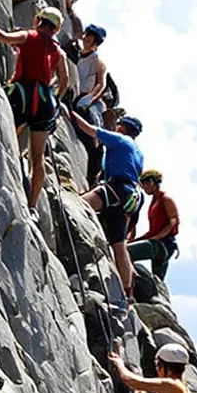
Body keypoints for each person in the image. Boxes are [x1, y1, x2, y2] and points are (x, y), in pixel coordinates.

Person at [0, 0, 73, 208]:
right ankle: (32, 206)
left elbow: (0, 35)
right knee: (37, 158)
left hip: (22, 93)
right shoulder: (59, 52)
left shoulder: (28, 36)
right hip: (44, 101)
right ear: (56, 29)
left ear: (38, 20)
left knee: (8, 132)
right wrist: (55, 98)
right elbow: (65, 82)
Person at [70, 108, 143, 299]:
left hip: (116, 188)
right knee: (119, 247)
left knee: (77, 205)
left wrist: (68, 111)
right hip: (129, 197)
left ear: (123, 128)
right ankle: (128, 296)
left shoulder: (120, 139)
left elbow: (89, 128)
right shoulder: (138, 152)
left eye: (119, 125)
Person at [128, 170, 180, 296]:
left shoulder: (166, 199)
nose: (143, 188)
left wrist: (158, 237)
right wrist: (136, 240)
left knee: (127, 253)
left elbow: (173, 221)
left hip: (163, 245)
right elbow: (152, 230)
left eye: (145, 184)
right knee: (157, 282)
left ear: (152, 182)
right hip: (157, 242)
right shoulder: (153, 201)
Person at [70, 23, 110, 180]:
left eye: (90, 38)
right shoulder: (77, 54)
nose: (86, 39)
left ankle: (96, 165)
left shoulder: (97, 62)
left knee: (94, 129)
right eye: (86, 36)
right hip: (76, 96)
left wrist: (91, 99)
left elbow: (102, 84)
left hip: (91, 101)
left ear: (95, 44)